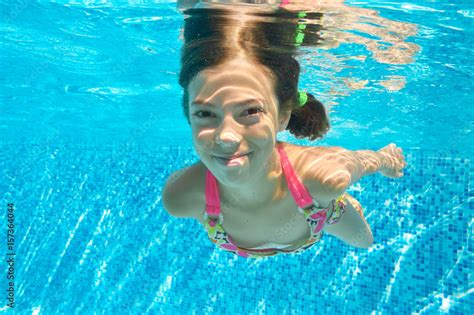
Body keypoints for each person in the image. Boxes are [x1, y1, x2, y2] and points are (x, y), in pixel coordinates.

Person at [162, 5, 407, 258]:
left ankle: (340, 206)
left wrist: (385, 161)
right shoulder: (180, 196)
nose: (226, 136)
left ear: (282, 116)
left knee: (364, 242)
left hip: (314, 214)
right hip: (242, 243)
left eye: (249, 112)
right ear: (188, 116)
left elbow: (361, 161)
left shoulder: (323, 179)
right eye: (205, 113)